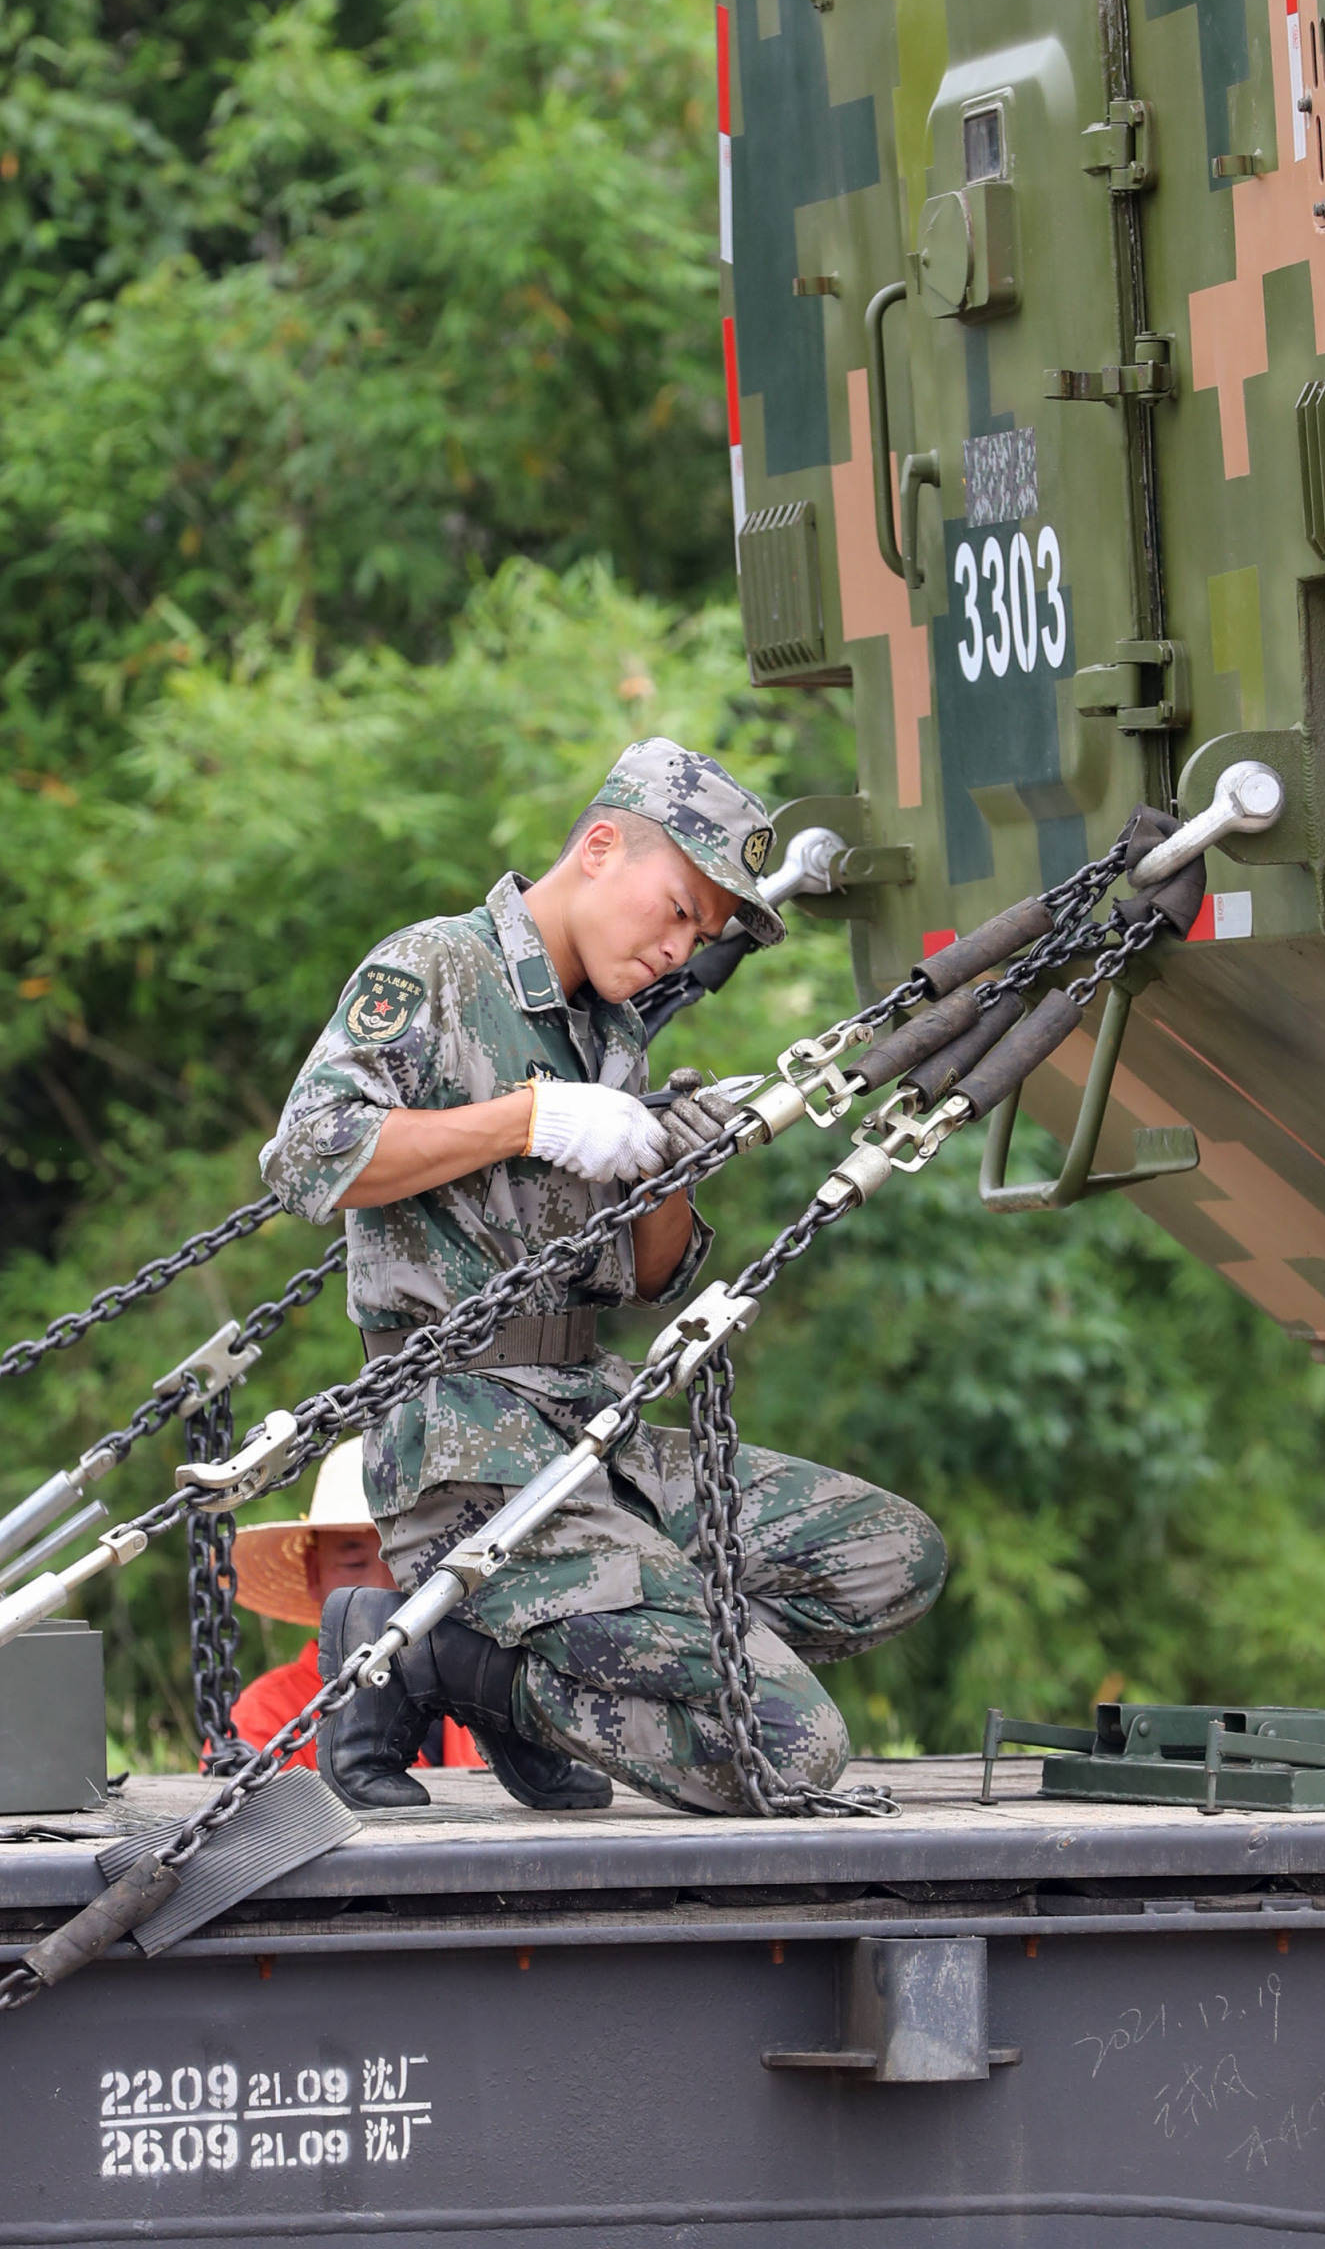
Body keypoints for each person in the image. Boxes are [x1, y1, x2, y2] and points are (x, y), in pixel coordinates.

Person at [261, 738, 946, 1817]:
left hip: (588, 1428)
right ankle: (452, 1662)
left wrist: (671, 1160)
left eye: (703, 935)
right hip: (464, 1449)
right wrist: (525, 1119)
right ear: (597, 848)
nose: (680, 948)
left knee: (888, 1558)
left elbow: (648, 1277)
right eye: (675, 910)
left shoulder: (615, 1031)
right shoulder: (438, 969)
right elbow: (307, 1159)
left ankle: (525, 1666)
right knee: (791, 1749)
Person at [226, 1437, 481, 1776]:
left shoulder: (483, 1698)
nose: (380, 1589)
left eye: (402, 1564)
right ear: (313, 1571)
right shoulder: (265, 1716)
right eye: (353, 1563)